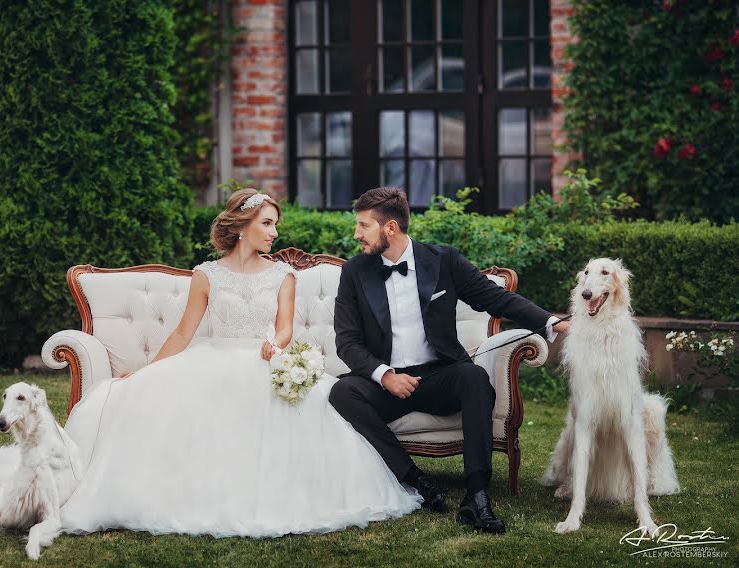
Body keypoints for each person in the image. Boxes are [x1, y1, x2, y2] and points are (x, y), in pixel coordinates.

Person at [59, 189, 421, 537]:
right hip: (213, 358)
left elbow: (284, 329)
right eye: (266, 223)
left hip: (263, 359)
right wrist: (145, 371)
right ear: (242, 224)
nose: (274, 232)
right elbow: (184, 333)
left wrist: (272, 344)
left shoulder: (283, 275)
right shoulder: (207, 274)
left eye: (275, 224)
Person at [329, 187, 569, 534]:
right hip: (387, 383)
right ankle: (417, 481)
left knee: (473, 378)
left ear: (391, 228)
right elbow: (347, 341)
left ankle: (477, 496)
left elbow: (495, 298)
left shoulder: (442, 260)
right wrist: (385, 376)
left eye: (364, 226)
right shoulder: (355, 272)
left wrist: (552, 322)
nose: (357, 234)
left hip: (438, 376)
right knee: (342, 393)